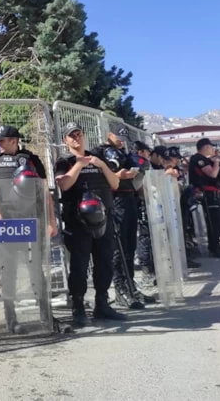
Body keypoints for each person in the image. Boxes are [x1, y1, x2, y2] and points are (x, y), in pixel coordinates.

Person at [0, 125, 59, 334]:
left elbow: (45, 193)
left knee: (37, 271)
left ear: (14, 140)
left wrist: (51, 220)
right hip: (7, 223)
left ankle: (46, 317)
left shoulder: (32, 160)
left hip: (31, 220)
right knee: (9, 273)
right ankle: (12, 320)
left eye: (2, 140)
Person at [54, 122, 125, 327]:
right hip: (78, 222)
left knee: (104, 262)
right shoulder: (64, 161)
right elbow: (64, 184)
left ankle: (101, 304)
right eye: (71, 136)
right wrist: (80, 164)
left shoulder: (98, 158)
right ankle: (78, 306)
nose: (76, 138)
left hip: (104, 218)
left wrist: (100, 164)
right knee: (79, 265)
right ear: (65, 140)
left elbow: (115, 183)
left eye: (79, 134)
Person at [93, 131, 145, 310]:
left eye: (123, 136)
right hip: (116, 199)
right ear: (108, 134)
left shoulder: (124, 152)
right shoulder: (100, 152)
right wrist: (118, 175)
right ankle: (120, 288)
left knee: (130, 246)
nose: (121, 139)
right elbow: (105, 174)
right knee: (119, 247)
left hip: (129, 198)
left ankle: (131, 285)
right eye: (117, 135)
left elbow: (137, 169)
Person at [188, 138, 220, 258]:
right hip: (208, 194)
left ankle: (215, 245)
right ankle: (214, 248)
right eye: (211, 147)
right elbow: (213, 174)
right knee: (215, 221)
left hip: (213, 193)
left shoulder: (203, 159)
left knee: (218, 220)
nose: (212, 149)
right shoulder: (199, 159)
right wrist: (217, 161)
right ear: (205, 147)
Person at [134, 141, 158, 287]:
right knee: (145, 239)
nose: (148, 155)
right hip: (139, 203)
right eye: (147, 152)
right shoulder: (138, 163)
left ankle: (151, 270)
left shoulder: (144, 164)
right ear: (140, 152)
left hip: (144, 203)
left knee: (149, 237)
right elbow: (138, 185)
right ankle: (147, 272)